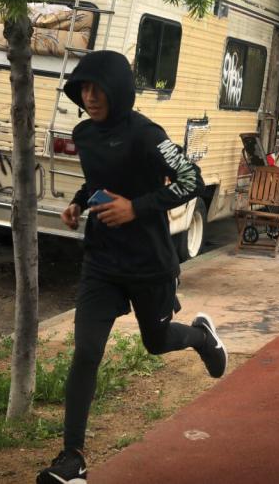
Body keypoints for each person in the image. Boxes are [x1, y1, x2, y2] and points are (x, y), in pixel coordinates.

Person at [37, 51, 226, 484]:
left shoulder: (147, 134)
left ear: (118, 89)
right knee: (86, 351)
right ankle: (72, 459)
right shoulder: (84, 133)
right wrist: (78, 202)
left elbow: (190, 179)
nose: (89, 96)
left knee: (156, 343)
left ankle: (200, 336)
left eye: (97, 88)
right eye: (83, 88)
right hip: (102, 261)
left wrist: (136, 208)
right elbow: (97, 180)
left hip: (148, 262)